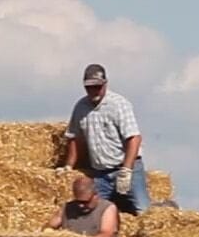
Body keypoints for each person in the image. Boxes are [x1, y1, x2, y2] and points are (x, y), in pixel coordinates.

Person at [63, 63, 151, 214]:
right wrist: (68, 167)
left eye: (97, 86)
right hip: (101, 174)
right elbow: (74, 138)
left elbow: (134, 138)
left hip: (125, 167)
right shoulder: (80, 107)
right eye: (89, 87)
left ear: (105, 84)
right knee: (90, 212)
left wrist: (126, 170)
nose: (93, 91)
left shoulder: (119, 105)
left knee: (143, 210)